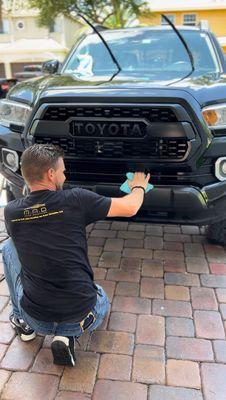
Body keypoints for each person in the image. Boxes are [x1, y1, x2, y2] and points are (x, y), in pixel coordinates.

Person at [3, 144, 150, 367]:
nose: (65, 174)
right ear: (51, 174)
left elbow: (38, 218)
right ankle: (66, 334)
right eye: (62, 170)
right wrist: (138, 186)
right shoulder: (76, 200)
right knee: (99, 293)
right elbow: (130, 207)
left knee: (9, 248)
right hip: (81, 316)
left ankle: (23, 322)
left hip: (37, 317)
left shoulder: (11, 212)